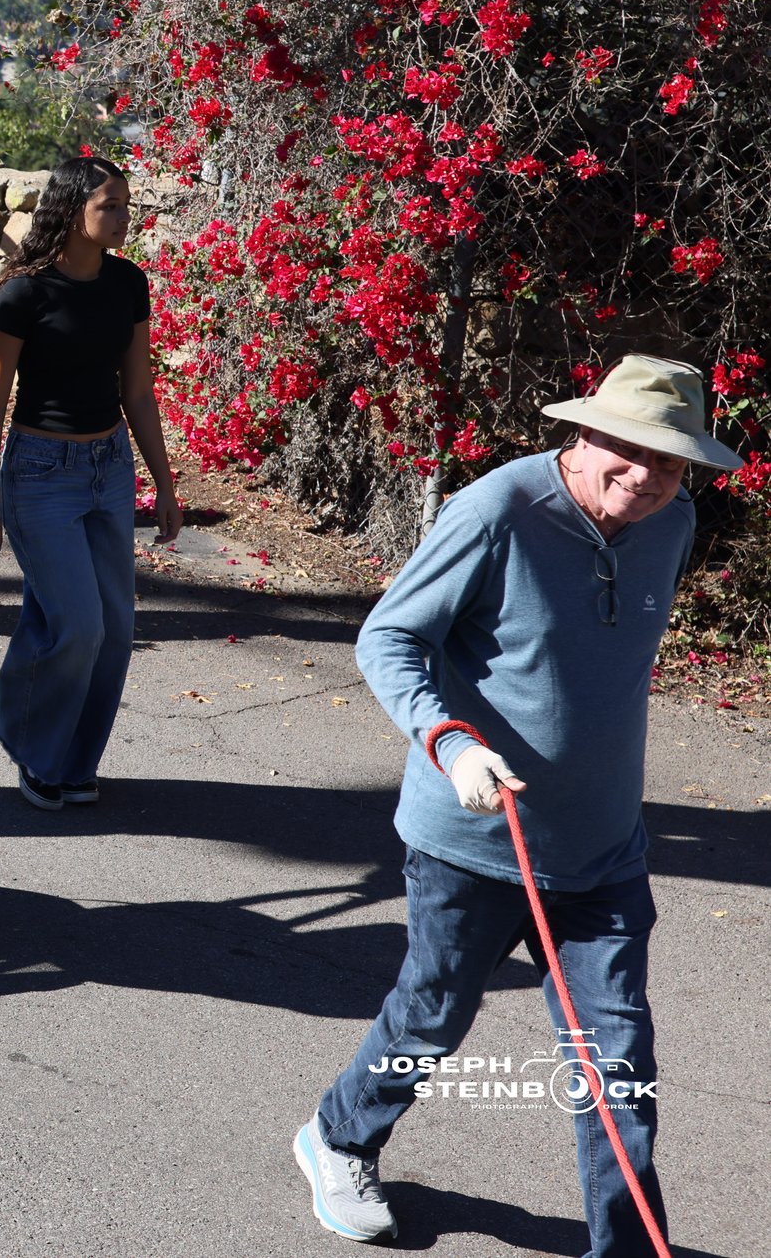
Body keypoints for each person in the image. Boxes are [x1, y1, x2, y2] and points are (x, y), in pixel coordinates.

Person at [295, 354, 735, 1252]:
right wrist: (451, 741)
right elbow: (389, 637)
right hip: (474, 841)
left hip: (605, 846)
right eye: (630, 449)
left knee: (616, 1070)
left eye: (672, 459)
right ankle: (339, 1136)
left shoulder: (671, 518)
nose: (647, 476)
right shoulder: (496, 510)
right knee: (433, 1012)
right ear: (583, 432)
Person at [0, 154, 182, 810]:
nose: (122, 217)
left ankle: (72, 759)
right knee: (78, 624)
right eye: (109, 206)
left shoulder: (127, 284)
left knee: (114, 627)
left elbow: (139, 393)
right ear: (71, 210)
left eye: (125, 205)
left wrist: (165, 484)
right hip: (40, 473)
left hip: (107, 469)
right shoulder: (23, 293)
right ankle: (33, 746)